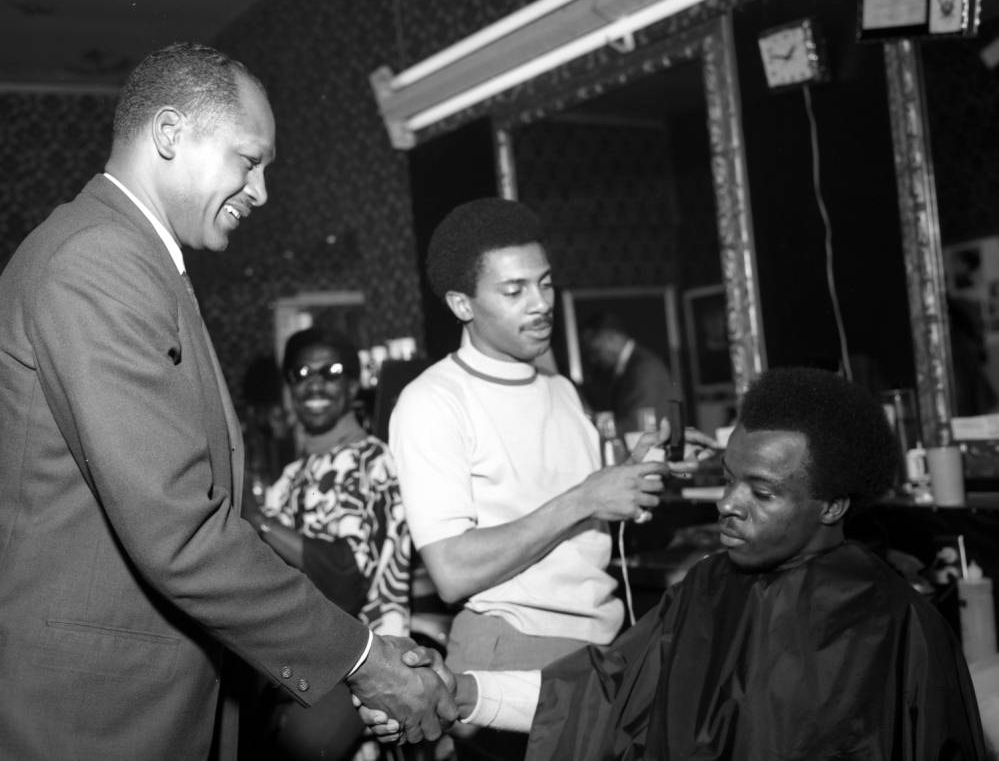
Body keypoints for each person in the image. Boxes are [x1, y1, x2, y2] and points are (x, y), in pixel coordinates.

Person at [0, 41, 454, 761]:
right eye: (250, 159)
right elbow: (179, 531)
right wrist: (363, 657)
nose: (261, 190)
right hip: (97, 715)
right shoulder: (96, 261)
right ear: (171, 135)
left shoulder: (133, 260)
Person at [373, 366, 987, 759]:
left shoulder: (896, 625)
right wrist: (459, 693)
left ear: (831, 506)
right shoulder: (707, 587)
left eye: (761, 492)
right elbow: (604, 693)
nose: (728, 504)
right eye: (727, 479)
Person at [388, 197, 673, 760]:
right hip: (509, 653)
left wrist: (624, 483)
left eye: (544, 283)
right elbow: (451, 571)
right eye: (515, 291)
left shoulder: (561, 390)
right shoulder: (432, 402)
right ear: (461, 304)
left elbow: (575, 511)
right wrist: (586, 497)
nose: (541, 304)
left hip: (601, 649)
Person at [241, 327, 412, 760]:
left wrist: (258, 521)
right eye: (301, 373)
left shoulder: (375, 462)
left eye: (331, 371)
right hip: (297, 663)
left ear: (353, 385)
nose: (315, 382)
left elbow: (345, 580)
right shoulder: (290, 477)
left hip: (364, 663)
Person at [579, 310, 677, 435]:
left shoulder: (644, 369)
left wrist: (590, 426)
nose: (593, 359)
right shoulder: (627, 368)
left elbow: (637, 427)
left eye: (595, 351)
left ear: (613, 338)